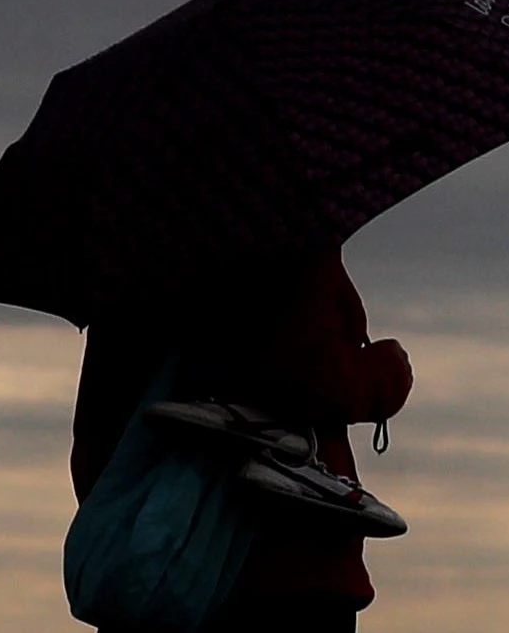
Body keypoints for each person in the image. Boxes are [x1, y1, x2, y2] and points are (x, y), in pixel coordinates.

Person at [72, 246, 415, 633]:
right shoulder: (281, 229)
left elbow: (98, 436)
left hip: (151, 573)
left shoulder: (131, 248)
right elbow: (312, 374)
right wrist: (388, 373)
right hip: (286, 570)